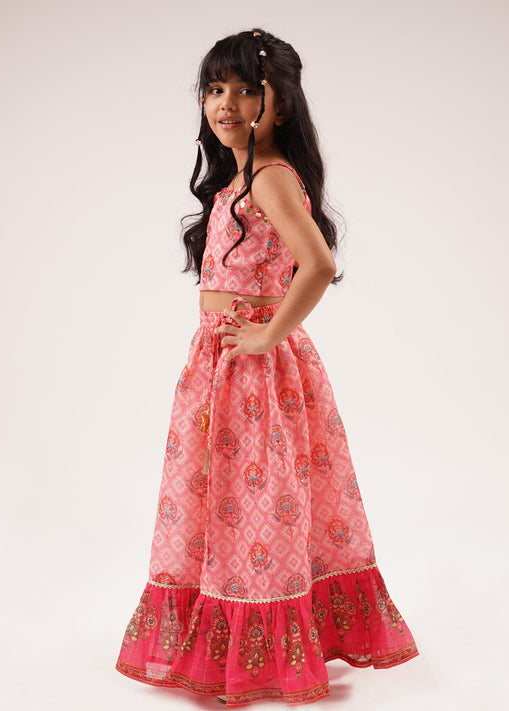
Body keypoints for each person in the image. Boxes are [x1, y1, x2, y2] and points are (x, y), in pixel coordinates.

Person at [115, 28, 419, 707]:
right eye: (214, 89)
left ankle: (261, 647)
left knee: (254, 500)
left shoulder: (270, 177)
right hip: (220, 364)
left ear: (280, 105)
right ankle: (229, 635)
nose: (225, 103)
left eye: (247, 90)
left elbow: (318, 265)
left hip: (252, 370)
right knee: (220, 498)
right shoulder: (237, 179)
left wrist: (266, 336)